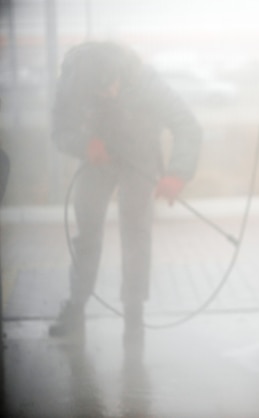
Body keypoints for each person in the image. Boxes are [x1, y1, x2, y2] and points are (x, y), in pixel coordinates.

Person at [49, 41, 202, 343]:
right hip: (97, 157)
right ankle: (76, 307)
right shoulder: (71, 83)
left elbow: (188, 125)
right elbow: (60, 131)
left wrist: (177, 173)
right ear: (86, 85)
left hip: (139, 158)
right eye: (102, 91)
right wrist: (84, 144)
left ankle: (134, 314)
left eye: (114, 86)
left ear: (120, 74)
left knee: (136, 233)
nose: (112, 94)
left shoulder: (147, 82)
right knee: (88, 230)